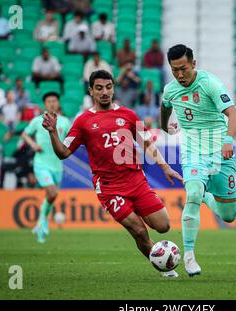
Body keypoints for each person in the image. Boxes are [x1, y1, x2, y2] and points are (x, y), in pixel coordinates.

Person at [41, 70, 183, 277]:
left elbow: (146, 143)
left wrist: (165, 167)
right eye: (99, 88)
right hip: (109, 187)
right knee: (139, 231)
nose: (104, 92)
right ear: (91, 91)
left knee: (163, 226)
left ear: (114, 88)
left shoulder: (128, 115)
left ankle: (158, 255)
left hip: (136, 181)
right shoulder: (83, 121)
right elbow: (63, 152)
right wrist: (53, 133)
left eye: (108, 87)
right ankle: (163, 265)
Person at [160, 44, 236, 276]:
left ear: (194, 64)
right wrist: (165, 125)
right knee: (192, 193)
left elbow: (233, 114)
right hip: (193, 151)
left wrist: (228, 141)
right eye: (175, 70)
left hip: (221, 152)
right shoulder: (170, 90)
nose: (180, 75)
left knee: (229, 216)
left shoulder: (210, 84)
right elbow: (164, 108)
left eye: (183, 68)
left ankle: (206, 195)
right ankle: (189, 256)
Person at [21, 92, 71, 243]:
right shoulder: (37, 121)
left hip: (57, 166)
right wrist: (33, 145)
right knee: (51, 192)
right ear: (44, 104)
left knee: (52, 196)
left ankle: (41, 223)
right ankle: (43, 221)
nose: (52, 104)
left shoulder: (64, 122)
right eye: (48, 101)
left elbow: (71, 139)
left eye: (54, 101)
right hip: (41, 164)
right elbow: (24, 134)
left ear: (58, 103)